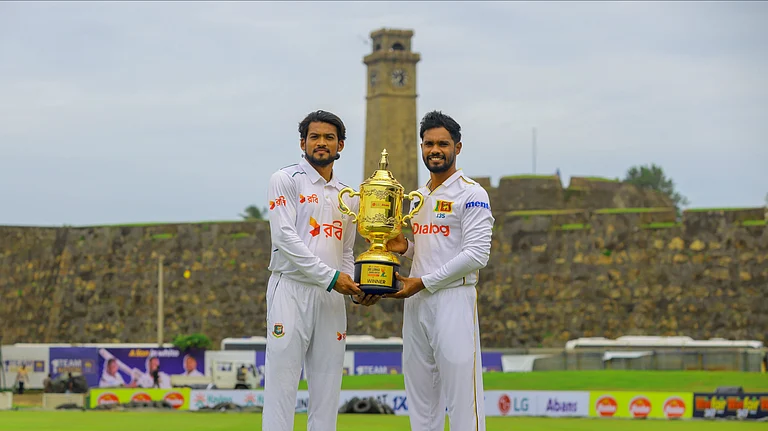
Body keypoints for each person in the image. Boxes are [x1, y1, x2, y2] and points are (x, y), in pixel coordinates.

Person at [262, 109, 380, 431]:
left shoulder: (349, 196)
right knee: (281, 386)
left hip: (332, 297)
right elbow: (284, 239)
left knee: (328, 390)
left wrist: (357, 287)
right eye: (315, 137)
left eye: (329, 138)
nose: (322, 143)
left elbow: (345, 251)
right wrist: (330, 278)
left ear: (340, 145)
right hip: (291, 288)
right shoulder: (285, 180)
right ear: (303, 142)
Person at [385, 110, 494, 431]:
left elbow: (476, 254)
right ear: (421, 147)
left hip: (452, 298)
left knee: (463, 398)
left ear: (457, 148)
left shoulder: (472, 194)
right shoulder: (417, 196)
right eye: (429, 143)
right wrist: (403, 248)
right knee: (420, 399)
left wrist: (423, 282)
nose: (435, 150)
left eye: (443, 144)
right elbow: (429, 251)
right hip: (416, 301)